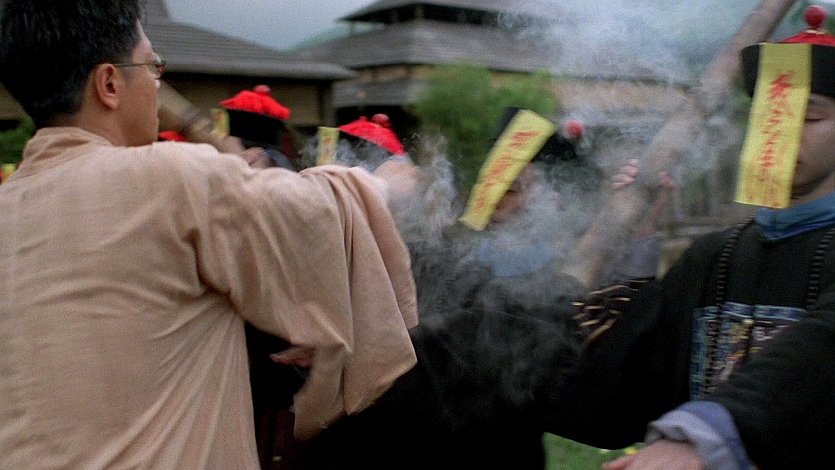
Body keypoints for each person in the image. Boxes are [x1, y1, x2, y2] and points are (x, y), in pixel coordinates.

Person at [0, 1, 421, 468]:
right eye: (153, 66)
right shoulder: (170, 179)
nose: (158, 83)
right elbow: (316, 212)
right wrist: (384, 186)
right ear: (110, 84)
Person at [296, 110, 672, 470]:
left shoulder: (546, 267)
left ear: (553, 200)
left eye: (515, 188)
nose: (497, 199)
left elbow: (602, 373)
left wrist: (634, 232)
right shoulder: (441, 263)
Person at [547, 6, 835, 470]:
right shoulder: (712, 257)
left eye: (810, 117)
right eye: (772, 114)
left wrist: (705, 440)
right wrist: (634, 243)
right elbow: (619, 395)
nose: (783, 132)